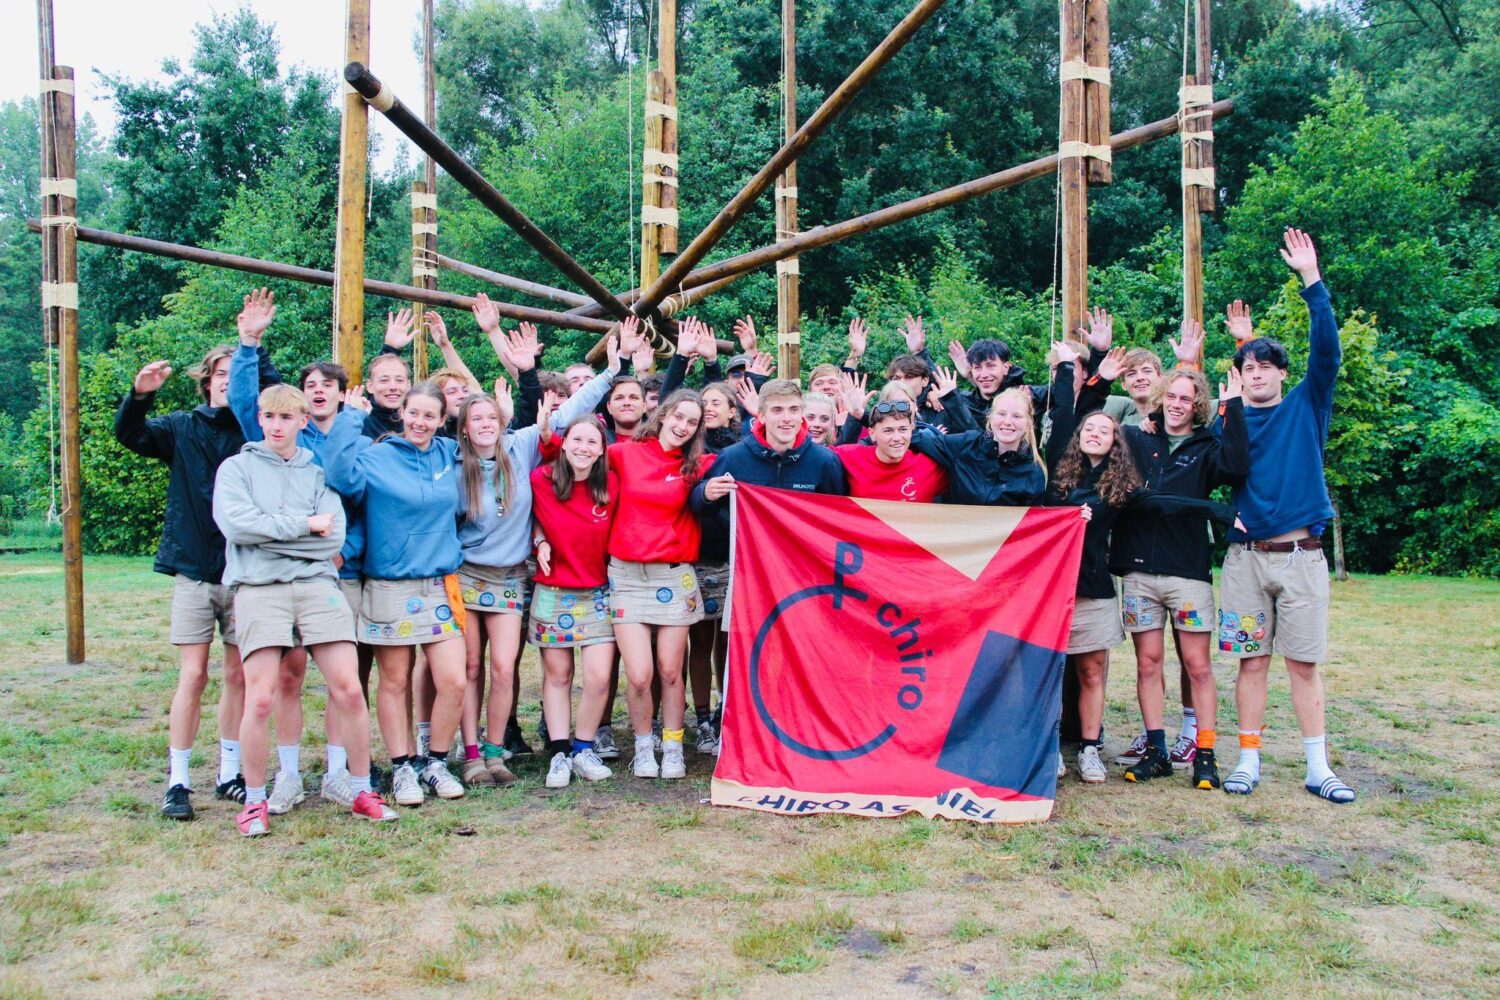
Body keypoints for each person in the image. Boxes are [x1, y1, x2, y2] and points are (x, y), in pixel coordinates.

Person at [212, 384, 397, 835]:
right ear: (260, 419)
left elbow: (332, 539)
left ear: (302, 421)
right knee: (260, 697)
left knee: (349, 689)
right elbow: (236, 525)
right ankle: (254, 801)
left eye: (285, 417)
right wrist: (303, 527)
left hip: (317, 586)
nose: (276, 426)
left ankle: (361, 790)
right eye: (269, 417)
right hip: (259, 588)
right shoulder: (236, 469)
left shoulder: (317, 474)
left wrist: (275, 536)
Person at [1044, 341, 1231, 785]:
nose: (1096, 433)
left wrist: (1221, 511)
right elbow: (1071, 414)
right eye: (1090, 429)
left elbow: (1164, 501)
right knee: (1054, 671)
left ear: (1117, 441)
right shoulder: (1054, 473)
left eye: (1105, 431)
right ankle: (1052, 746)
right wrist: (1073, 369)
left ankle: (1104, 748)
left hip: (1103, 585)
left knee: (1103, 669)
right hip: (1056, 588)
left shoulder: (1120, 487)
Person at [451, 318, 623, 788]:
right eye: (476, 420)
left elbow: (573, 413)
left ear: (504, 420)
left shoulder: (522, 447)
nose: (486, 426)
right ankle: (472, 754)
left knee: (505, 669)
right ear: (463, 428)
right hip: (468, 574)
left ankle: (501, 751)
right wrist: (542, 537)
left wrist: (612, 371)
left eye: (492, 418)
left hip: (513, 577)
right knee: (470, 667)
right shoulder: (453, 460)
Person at [117, 326, 279, 821]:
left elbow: (276, 394)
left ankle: (229, 774)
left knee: (238, 675)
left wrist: (255, 347)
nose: (229, 381)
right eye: (221, 374)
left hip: (245, 573)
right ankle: (178, 782)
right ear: (207, 380)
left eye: (237, 374)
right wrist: (139, 396)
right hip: (193, 568)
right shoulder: (181, 427)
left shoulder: (257, 435)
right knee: (193, 675)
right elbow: (132, 435)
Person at [1218, 228, 1355, 804]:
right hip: (1245, 564)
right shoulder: (1230, 418)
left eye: (1265, 366)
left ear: (1280, 373)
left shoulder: (1306, 404)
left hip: (1302, 558)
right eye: (1247, 366)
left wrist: (1311, 279)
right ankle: (1248, 759)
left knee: (1303, 663)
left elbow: (1327, 352)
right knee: (1250, 664)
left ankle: (1317, 767)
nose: (1256, 373)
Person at [225, 288, 373, 811]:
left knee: (345, 684)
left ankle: (340, 775)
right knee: (283, 679)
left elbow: (342, 519)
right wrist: (248, 344)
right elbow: (242, 524)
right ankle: (284, 777)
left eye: (326, 386)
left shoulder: (343, 442)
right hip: (272, 581)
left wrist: (332, 543)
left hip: (333, 575)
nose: (316, 393)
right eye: (310, 386)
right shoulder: (257, 453)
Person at [323, 382, 468, 808]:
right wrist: (350, 417)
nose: (420, 422)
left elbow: (492, 439)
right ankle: (402, 766)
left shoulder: (449, 455)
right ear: (401, 413)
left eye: (430, 416)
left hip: (439, 583)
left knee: (454, 680)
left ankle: (435, 762)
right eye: (414, 413)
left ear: (441, 420)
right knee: (394, 680)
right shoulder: (376, 457)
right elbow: (337, 474)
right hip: (390, 585)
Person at [1109, 366, 1249, 790]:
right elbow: (1131, 494)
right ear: (1160, 397)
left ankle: (1205, 753)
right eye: (1171, 396)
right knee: (1148, 663)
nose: (1176, 404)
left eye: (1186, 399)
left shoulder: (1207, 446)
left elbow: (1237, 467)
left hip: (1187, 572)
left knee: (1197, 665)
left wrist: (1234, 406)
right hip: (1139, 572)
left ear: (1197, 405)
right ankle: (1156, 750)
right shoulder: (1136, 439)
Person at [607, 388, 716, 779]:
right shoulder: (624, 453)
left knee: (670, 671)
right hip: (627, 575)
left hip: (673, 575)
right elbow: (571, 462)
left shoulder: (697, 466)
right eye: (679, 417)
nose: (683, 426)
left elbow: (747, 464)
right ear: (663, 414)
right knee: (640, 674)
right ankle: (642, 746)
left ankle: (673, 747)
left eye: (692, 422)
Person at [529, 414, 620, 787]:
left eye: (592, 442)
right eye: (576, 440)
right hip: (552, 593)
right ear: (563, 444)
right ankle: (559, 753)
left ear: (601, 451)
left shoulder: (611, 485)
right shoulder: (541, 479)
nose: (583, 448)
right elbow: (529, 518)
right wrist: (539, 540)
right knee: (558, 676)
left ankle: (583, 749)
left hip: (597, 592)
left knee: (598, 678)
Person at [908, 386, 1049, 506]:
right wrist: (901, 416)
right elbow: (917, 439)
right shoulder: (965, 444)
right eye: (1001, 414)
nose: (1007, 422)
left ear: (1028, 423)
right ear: (990, 418)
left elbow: (1032, 523)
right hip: (955, 529)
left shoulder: (1033, 473)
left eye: (1017, 416)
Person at [834, 381, 949, 502]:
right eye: (888, 431)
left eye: (903, 429)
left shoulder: (930, 461)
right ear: (872, 433)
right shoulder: (855, 455)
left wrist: (952, 398)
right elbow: (824, 458)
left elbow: (963, 454)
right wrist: (855, 415)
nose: (897, 437)